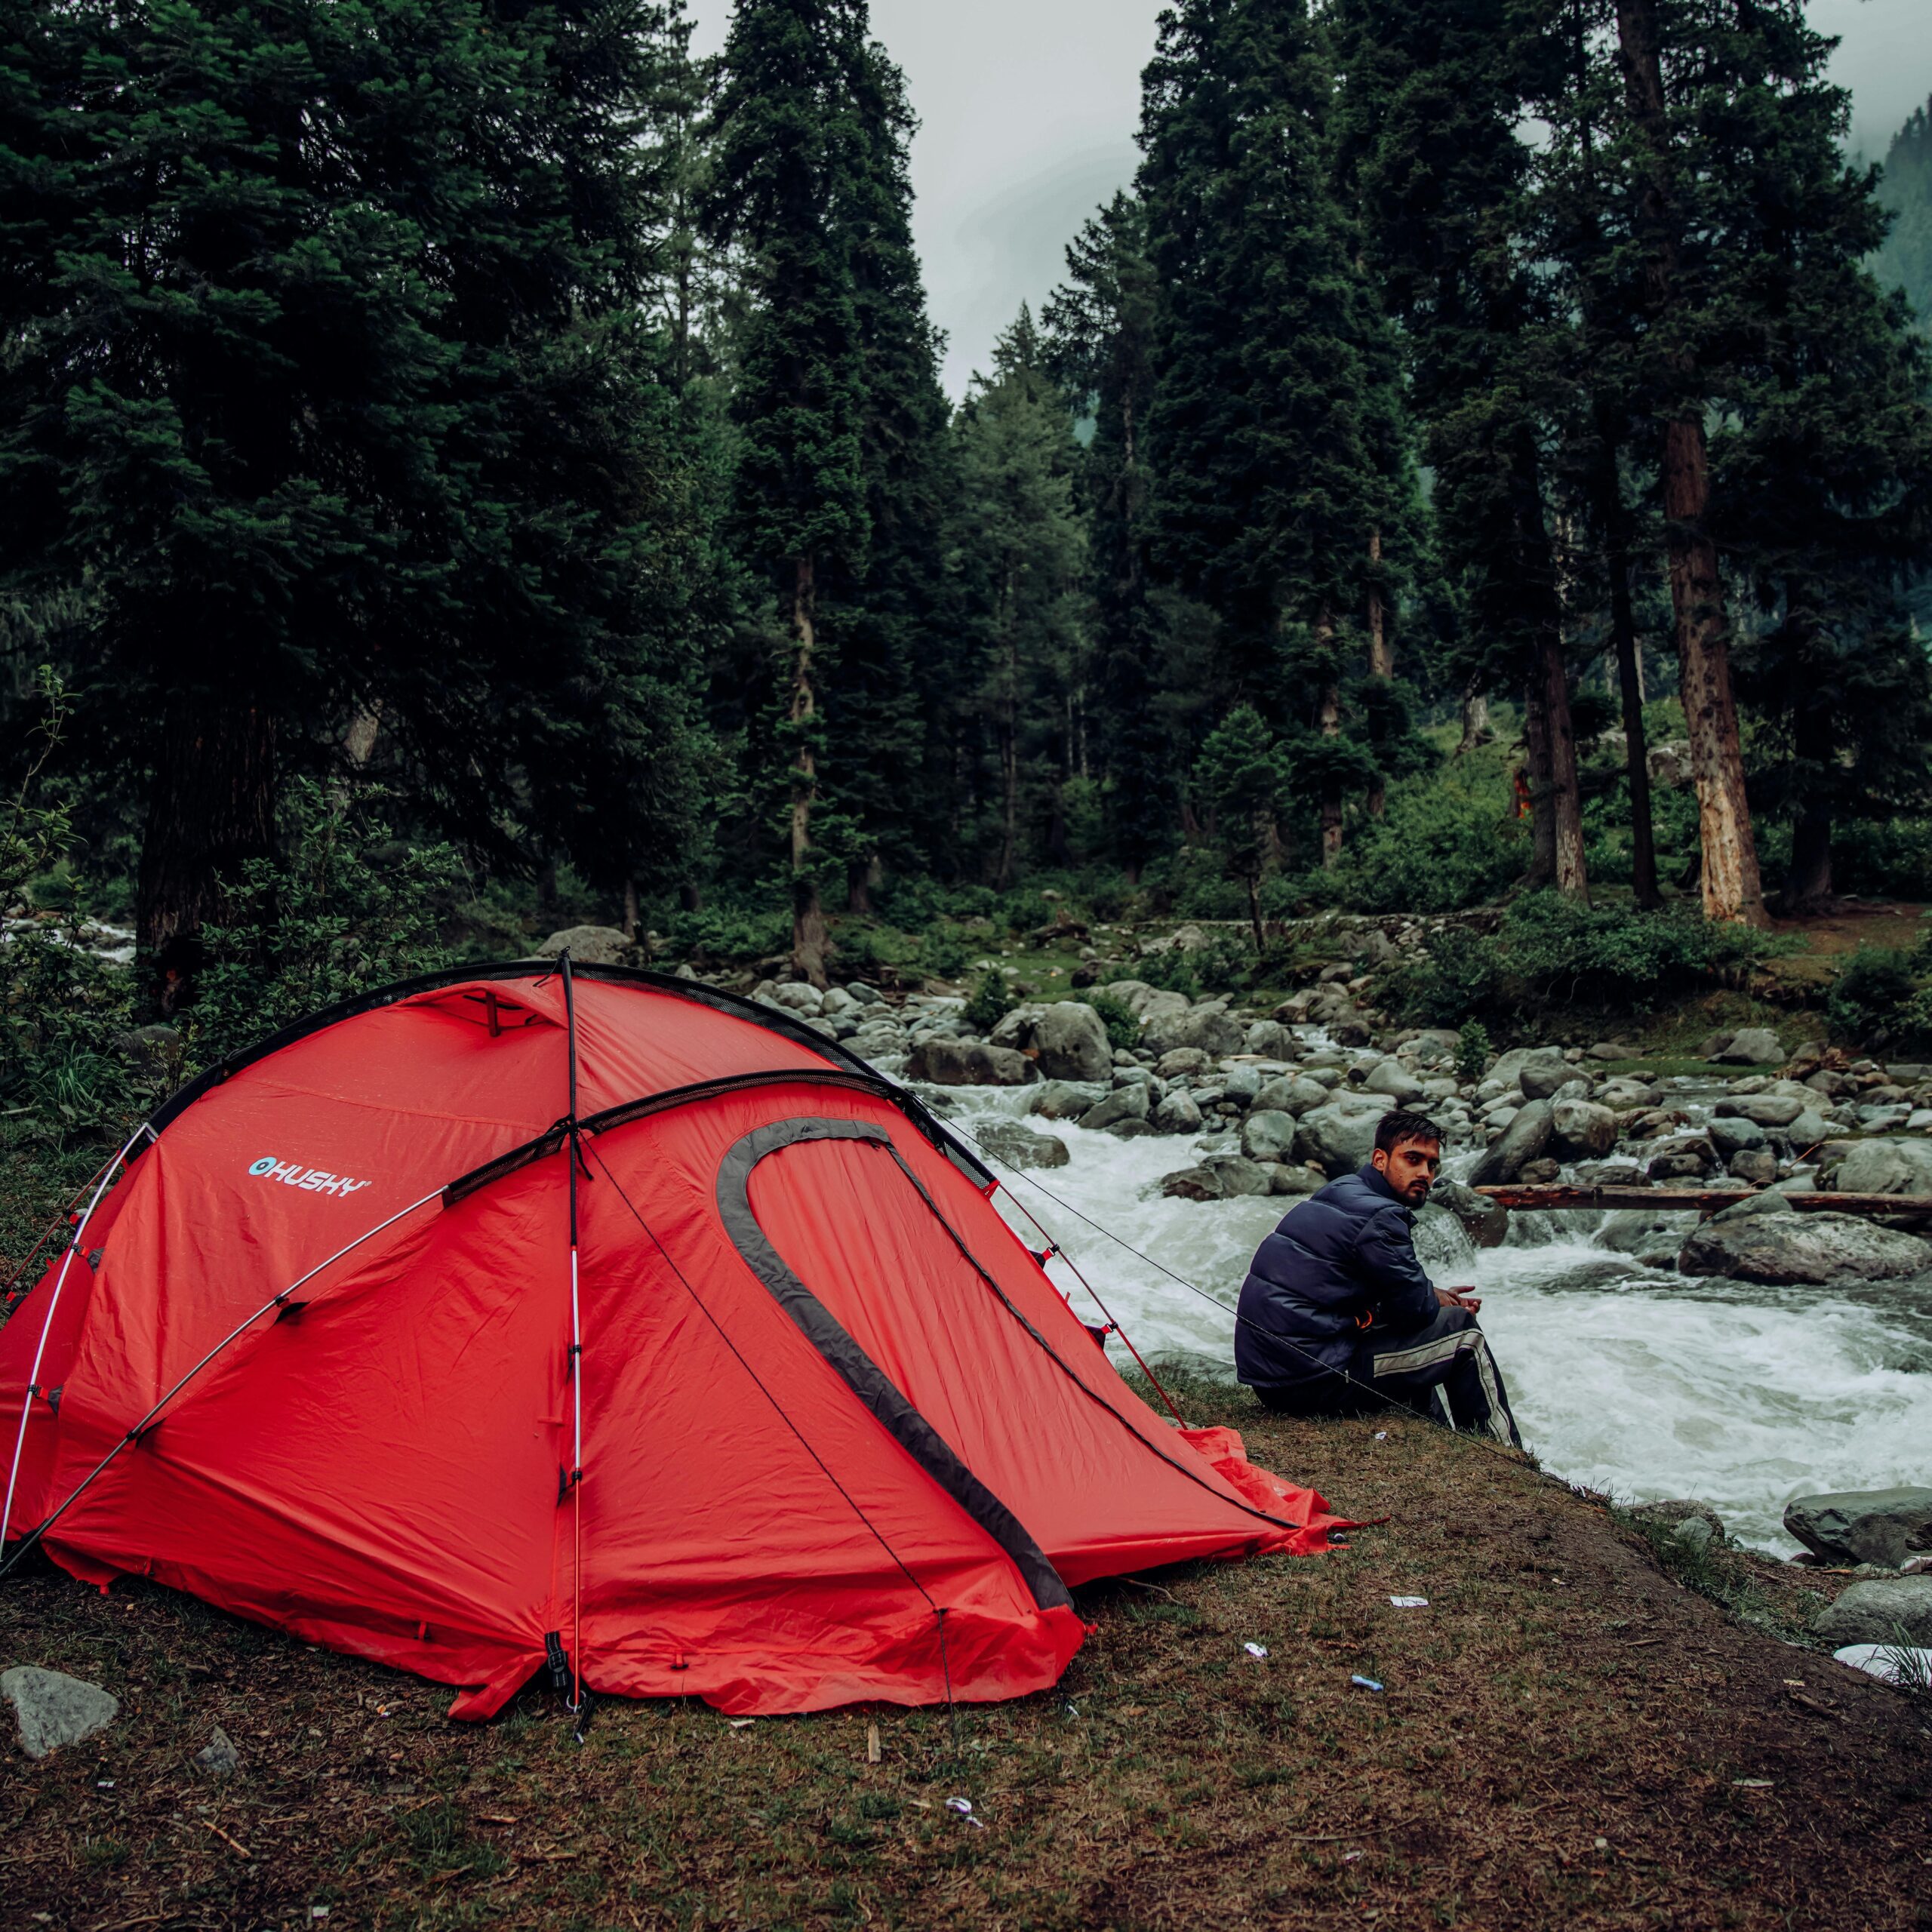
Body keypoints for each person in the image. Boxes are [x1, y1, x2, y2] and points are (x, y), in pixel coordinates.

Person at [1233, 1109, 1521, 1445]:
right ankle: (1504, 1451)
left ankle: (1443, 1442)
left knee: (1422, 1337)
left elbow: (1389, 1294)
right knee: (1462, 1333)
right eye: (1412, 1159)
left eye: (1432, 1165)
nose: (1424, 1173)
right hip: (1313, 1380)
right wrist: (1434, 1300)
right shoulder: (1382, 1216)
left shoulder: (1342, 1189)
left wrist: (1431, 1295)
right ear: (1380, 1159)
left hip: (1275, 1377)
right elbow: (1416, 1312)